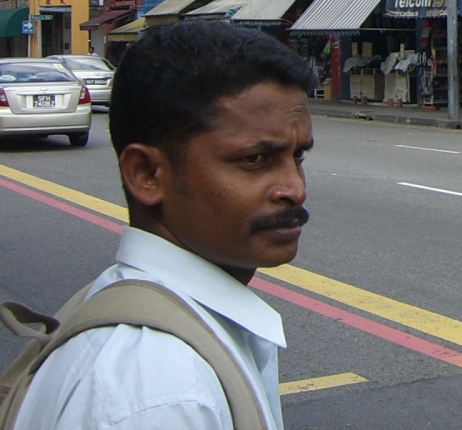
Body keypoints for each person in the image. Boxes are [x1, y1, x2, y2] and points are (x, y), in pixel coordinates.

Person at [13, 21, 317, 430]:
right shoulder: (162, 392)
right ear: (146, 174)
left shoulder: (146, 319)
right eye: (254, 160)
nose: (295, 189)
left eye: (297, 156)